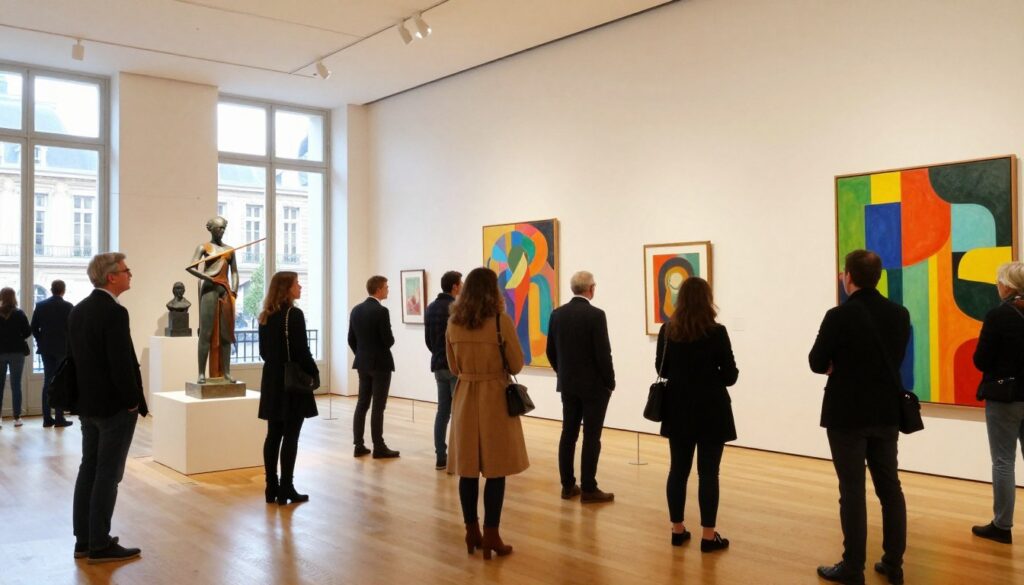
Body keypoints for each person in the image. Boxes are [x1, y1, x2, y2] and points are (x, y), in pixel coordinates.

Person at [809, 249, 910, 585]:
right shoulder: (899, 314)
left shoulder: (838, 316)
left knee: (852, 490)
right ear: (877, 277)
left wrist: (837, 364)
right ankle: (893, 563)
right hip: (886, 411)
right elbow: (893, 359)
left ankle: (853, 567)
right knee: (890, 487)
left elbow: (815, 361)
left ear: (848, 276)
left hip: (846, 414)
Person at [446, 267, 529, 559]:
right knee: (496, 470)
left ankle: (472, 531)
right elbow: (517, 364)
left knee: (467, 470)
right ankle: (492, 534)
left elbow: (453, 367)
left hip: (466, 395)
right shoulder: (500, 321)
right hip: (494, 396)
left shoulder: (453, 323)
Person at [70, 253, 148, 563]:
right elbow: (120, 365)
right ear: (111, 277)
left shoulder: (78, 310)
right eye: (126, 270)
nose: (131, 274)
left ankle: (84, 541)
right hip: (114, 407)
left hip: (88, 405)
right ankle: (100, 543)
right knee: (107, 474)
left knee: (89, 468)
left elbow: (74, 362)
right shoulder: (115, 313)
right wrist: (132, 401)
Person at [655, 276, 737, 553]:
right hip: (711, 409)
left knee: (677, 470)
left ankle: (677, 531)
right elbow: (730, 376)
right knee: (708, 473)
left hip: (677, 408)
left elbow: (662, 370)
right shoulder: (717, 332)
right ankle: (707, 536)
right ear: (706, 300)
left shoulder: (669, 331)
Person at [546, 270, 616, 503]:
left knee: (569, 433)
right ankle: (588, 487)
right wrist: (610, 381)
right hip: (594, 386)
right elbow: (602, 353)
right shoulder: (596, 315)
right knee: (591, 436)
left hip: (568, 384)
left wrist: (562, 372)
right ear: (591, 289)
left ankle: (567, 486)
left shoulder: (557, 314)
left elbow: (550, 351)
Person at [971, 261, 1024, 545]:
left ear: (1007, 285)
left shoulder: (999, 315)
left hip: (1005, 398)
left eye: (998, 282)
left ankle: (1002, 526)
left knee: (1004, 462)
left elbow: (981, 359)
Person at [258, 271, 319, 505]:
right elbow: (301, 351)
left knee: (273, 434)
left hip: (272, 379)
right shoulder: (294, 314)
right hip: (291, 382)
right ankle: (286, 488)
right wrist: (314, 372)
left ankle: (271, 487)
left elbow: (264, 352)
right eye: (297, 284)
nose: (300, 287)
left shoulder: (265, 315)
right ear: (286, 289)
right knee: (291, 435)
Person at [348, 275, 399, 459]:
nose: (387, 290)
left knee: (362, 403)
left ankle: (358, 444)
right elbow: (388, 340)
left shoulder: (356, 310)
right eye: (386, 287)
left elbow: (351, 339)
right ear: (378, 289)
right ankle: (379, 446)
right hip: (381, 364)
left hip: (363, 363)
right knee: (378, 406)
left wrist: (362, 354)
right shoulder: (381, 311)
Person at [186, 216, 239, 384]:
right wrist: (208, 278)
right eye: (218, 228)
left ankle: (227, 372)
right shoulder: (204, 247)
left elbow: (235, 272)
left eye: (223, 228)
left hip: (224, 290)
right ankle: (201, 372)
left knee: (226, 333)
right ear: (211, 229)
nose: (221, 231)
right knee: (206, 332)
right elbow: (191, 267)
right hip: (209, 289)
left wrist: (235, 289)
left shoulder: (229, 250)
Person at [424, 270, 462, 470]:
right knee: (458, 411)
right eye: (461, 283)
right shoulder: (456, 308)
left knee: (442, 411)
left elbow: (428, 341)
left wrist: (439, 353)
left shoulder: (430, 308)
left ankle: (441, 455)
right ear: (454, 286)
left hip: (438, 363)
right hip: (455, 365)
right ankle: (458, 455)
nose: (462, 286)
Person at [31, 279, 74, 428]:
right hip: (62, 348)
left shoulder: (41, 306)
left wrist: (41, 341)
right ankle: (60, 417)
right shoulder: (68, 307)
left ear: (51, 289)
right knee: (60, 382)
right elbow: (72, 329)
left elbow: (33, 327)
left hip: (46, 349)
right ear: (63, 290)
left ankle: (47, 418)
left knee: (47, 382)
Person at [0, 287, 31, 428]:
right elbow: (27, 332)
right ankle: (17, 417)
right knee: (16, 385)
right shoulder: (19, 314)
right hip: (17, 352)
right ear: (13, 298)